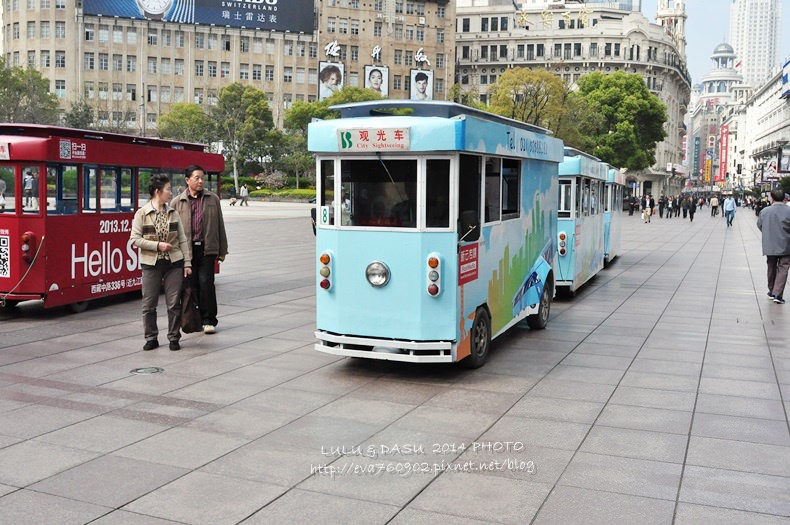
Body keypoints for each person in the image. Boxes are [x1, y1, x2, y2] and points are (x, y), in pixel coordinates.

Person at [130, 174, 191, 351]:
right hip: (151, 263)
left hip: (174, 263)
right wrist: (157, 246)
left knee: (174, 304)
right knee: (149, 304)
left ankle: (174, 337)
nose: (171, 193)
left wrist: (187, 263)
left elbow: (182, 239)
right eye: (168, 190)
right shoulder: (142, 214)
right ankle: (151, 337)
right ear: (158, 191)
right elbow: (134, 239)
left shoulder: (173, 213)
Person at [172, 165, 228, 334]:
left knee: (206, 284)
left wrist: (222, 249)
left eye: (202, 178)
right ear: (187, 180)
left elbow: (220, 225)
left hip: (207, 249)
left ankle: (209, 319)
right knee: (190, 286)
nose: (200, 181)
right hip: (186, 251)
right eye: (196, 178)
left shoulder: (213, 199)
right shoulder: (177, 202)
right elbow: (172, 230)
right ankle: (191, 318)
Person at [757, 188, 790, 304]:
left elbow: (760, 225)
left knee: (771, 267)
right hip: (786, 245)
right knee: (783, 268)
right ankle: (778, 294)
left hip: (770, 244)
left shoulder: (765, 211)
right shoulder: (789, 211)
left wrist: (769, 234)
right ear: (784, 198)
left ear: (772, 197)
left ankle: (771, 290)